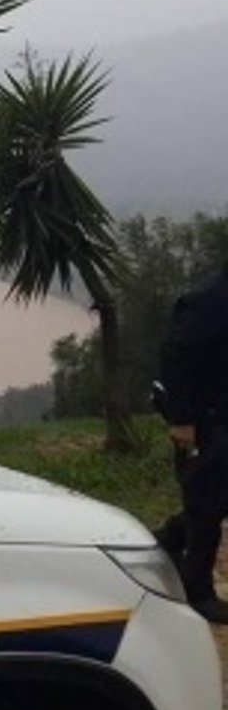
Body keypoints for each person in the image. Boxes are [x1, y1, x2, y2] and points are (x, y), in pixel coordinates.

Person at [157, 264, 228, 623]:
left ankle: (169, 540)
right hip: (204, 418)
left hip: (221, 412)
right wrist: (181, 418)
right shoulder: (211, 300)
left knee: (215, 499)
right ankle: (197, 590)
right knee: (207, 501)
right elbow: (176, 354)